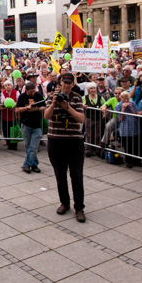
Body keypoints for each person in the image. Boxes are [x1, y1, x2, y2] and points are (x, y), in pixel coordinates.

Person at [44, 72, 87, 222]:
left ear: (73, 84)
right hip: (56, 141)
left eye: (69, 83)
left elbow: (81, 119)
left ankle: (79, 207)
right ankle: (64, 203)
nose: (66, 85)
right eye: (64, 82)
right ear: (60, 83)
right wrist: (54, 103)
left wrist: (67, 107)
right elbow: (46, 116)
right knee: (60, 175)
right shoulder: (52, 96)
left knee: (76, 176)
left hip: (74, 141)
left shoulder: (77, 98)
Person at [15, 80, 45, 173]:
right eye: (30, 92)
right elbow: (17, 109)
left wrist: (37, 108)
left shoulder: (38, 95)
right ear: (26, 90)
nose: (32, 93)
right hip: (26, 124)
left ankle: (26, 164)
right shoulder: (22, 97)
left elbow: (44, 106)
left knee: (34, 146)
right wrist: (27, 108)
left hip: (37, 124)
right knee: (28, 146)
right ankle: (34, 164)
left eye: (33, 91)